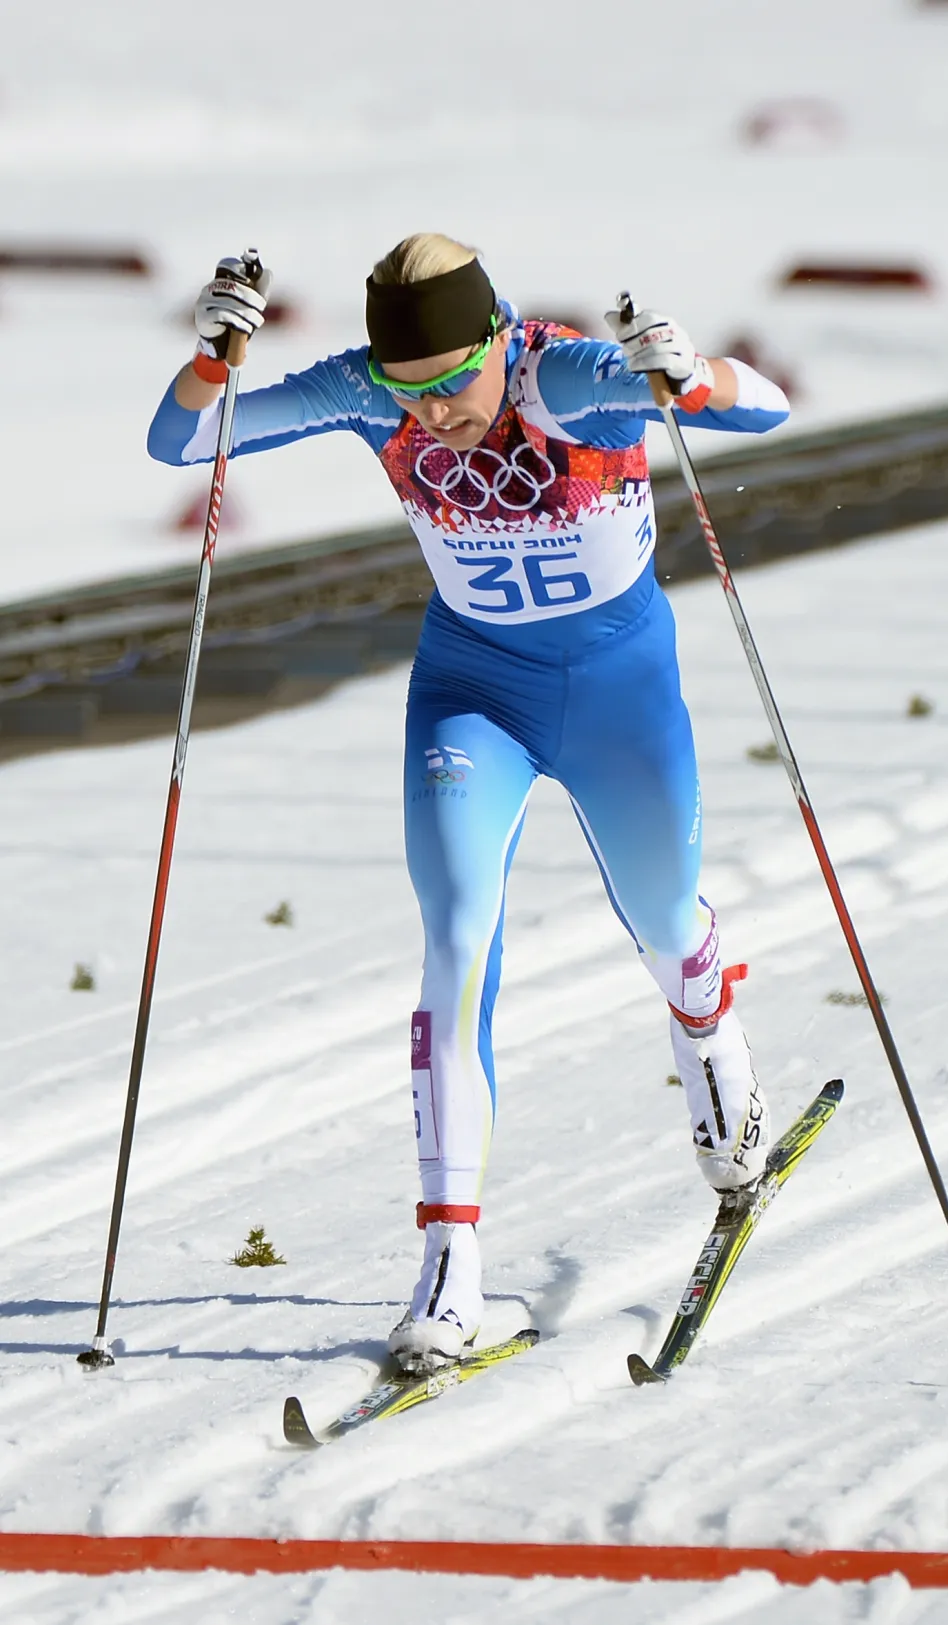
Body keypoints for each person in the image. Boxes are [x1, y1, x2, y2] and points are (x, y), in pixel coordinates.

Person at [147, 235, 791, 1374]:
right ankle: (449, 1269)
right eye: (409, 390)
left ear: (497, 339)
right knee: (454, 941)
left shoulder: (570, 380)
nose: (432, 412)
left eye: (451, 380)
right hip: (472, 697)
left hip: (617, 698)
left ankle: (709, 1035)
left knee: (663, 917)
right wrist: (215, 358)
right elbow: (182, 441)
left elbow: (763, 411)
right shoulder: (366, 390)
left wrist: (691, 376)